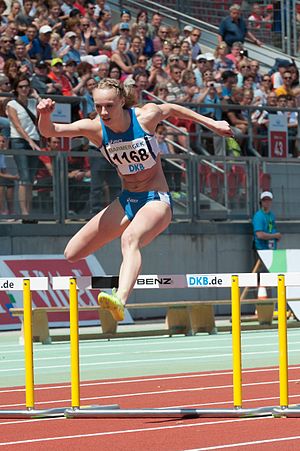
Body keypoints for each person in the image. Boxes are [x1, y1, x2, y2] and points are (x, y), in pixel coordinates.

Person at [37, 77, 232, 321]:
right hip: (128, 200)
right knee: (72, 253)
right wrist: (44, 114)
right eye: (98, 106)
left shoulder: (144, 117)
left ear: (122, 101)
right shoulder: (95, 128)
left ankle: (121, 298)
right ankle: (125, 274)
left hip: (156, 199)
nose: (104, 112)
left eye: (109, 105)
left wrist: (212, 123)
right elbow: (50, 131)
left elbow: (172, 108)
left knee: (130, 239)